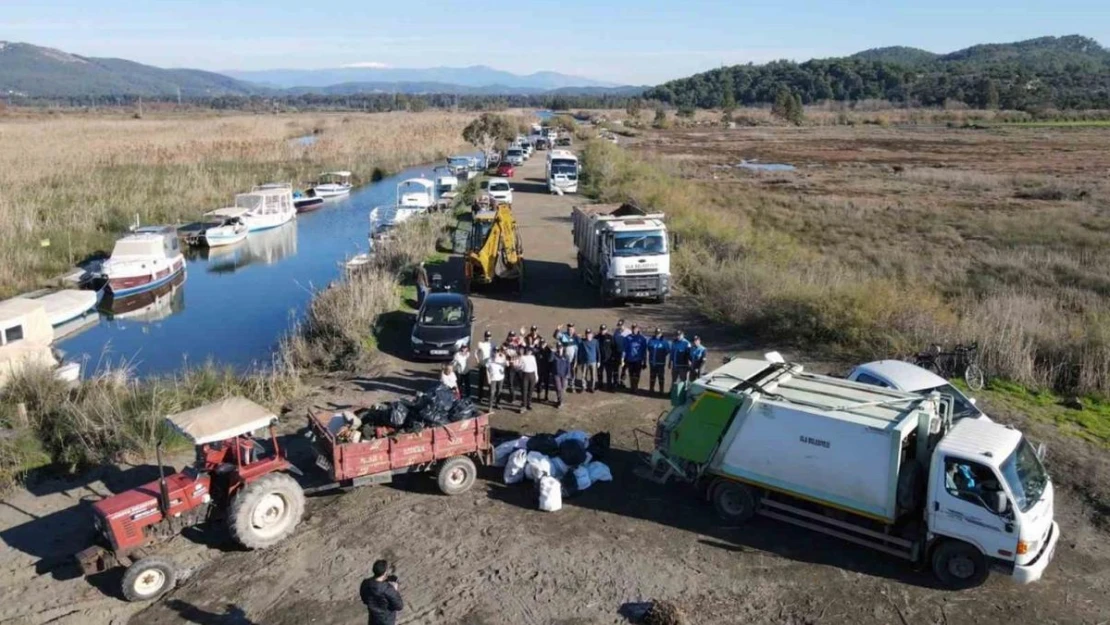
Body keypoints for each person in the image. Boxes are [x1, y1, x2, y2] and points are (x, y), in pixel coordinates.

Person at [360, 559, 403, 625]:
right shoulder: (388, 589)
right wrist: (395, 590)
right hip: (386, 620)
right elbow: (399, 606)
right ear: (385, 573)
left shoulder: (366, 583)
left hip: (373, 618)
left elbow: (364, 598)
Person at [622, 324, 648, 393]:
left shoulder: (642, 339)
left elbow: (644, 351)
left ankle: (635, 386)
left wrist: (644, 361)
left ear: (638, 329)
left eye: (635, 328)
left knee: (637, 374)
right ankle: (632, 387)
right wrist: (623, 359)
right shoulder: (627, 338)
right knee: (631, 373)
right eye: (633, 328)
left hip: (638, 360)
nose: (634, 330)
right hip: (629, 359)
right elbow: (625, 349)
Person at [646, 328, 671, 395]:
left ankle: (661, 391)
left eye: (659, 333)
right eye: (656, 333)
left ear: (661, 333)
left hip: (660, 363)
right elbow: (649, 349)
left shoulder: (664, 342)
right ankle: (651, 389)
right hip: (652, 362)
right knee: (652, 376)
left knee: (661, 377)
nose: (657, 334)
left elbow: (667, 351)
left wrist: (661, 356)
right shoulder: (651, 340)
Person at [596, 324, 617, 391]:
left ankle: (609, 386)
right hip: (600, 359)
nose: (603, 331)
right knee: (599, 373)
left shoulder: (610, 337)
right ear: (600, 330)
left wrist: (613, 356)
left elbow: (614, 347)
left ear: (606, 330)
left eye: (604, 330)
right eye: (601, 330)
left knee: (609, 373)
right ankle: (600, 384)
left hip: (608, 359)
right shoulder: (596, 337)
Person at [475, 330, 493, 402]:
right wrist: (478, 361)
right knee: (481, 382)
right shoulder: (481, 344)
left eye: (489, 336)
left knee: (490, 382)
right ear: (484, 337)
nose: (487, 338)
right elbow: (475, 353)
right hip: (483, 365)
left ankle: (490, 396)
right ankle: (480, 397)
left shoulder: (492, 344)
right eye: (486, 336)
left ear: (491, 337)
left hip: (489, 366)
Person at [519, 346, 538, 411]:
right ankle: (524, 405)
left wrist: (536, 375)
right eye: (528, 350)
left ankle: (529, 403)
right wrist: (521, 366)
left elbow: (535, 366)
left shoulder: (533, 357)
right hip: (525, 374)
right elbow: (520, 366)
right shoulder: (522, 357)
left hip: (532, 374)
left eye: (530, 351)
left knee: (531, 390)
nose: (529, 352)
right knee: (524, 390)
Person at [613, 318, 631, 387]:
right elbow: (614, 341)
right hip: (617, 352)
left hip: (625, 353)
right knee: (616, 368)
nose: (620, 327)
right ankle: (615, 381)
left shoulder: (628, 332)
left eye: (621, 325)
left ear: (624, 325)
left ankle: (622, 381)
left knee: (624, 368)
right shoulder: (616, 332)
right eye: (619, 325)